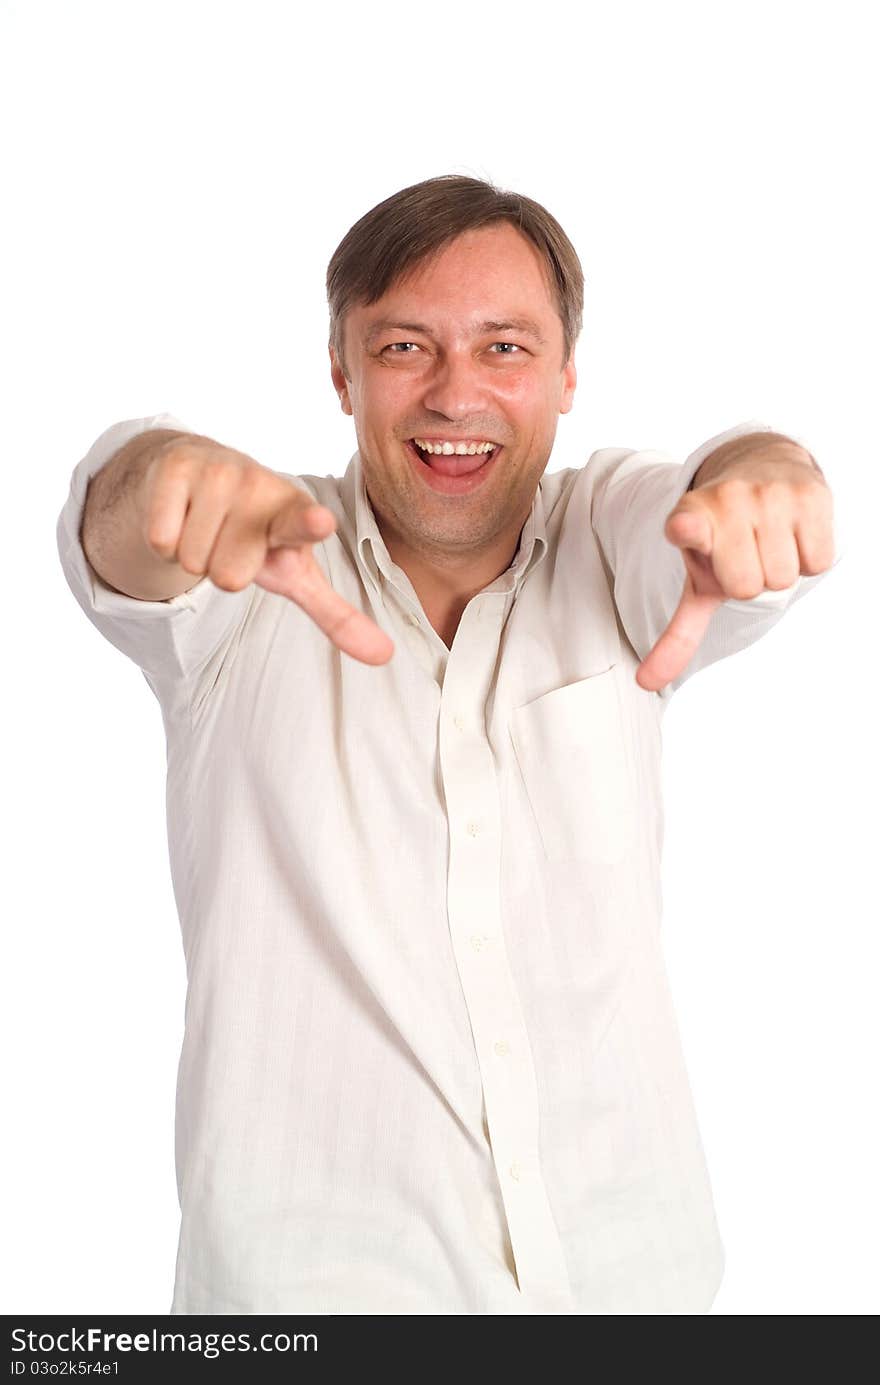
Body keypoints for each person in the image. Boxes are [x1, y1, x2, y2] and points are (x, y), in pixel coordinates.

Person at [56, 173, 840, 1316]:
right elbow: (126, 537)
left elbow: (704, 502)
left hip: (637, 1289)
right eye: (405, 346)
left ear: (568, 373)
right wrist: (161, 476)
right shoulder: (254, 569)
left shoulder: (609, 530)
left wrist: (765, 471)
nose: (454, 393)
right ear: (342, 372)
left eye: (506, 347)